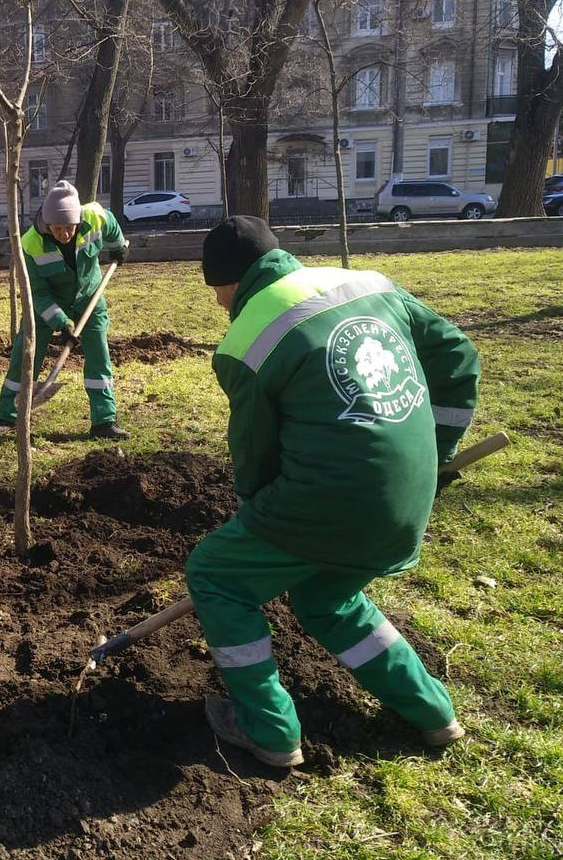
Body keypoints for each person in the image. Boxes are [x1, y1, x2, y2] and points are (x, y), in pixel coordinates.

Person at [186, 215, 480, 768]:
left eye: (218, 293)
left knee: (216, 574)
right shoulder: (369, 283)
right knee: (327, 598)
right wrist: (434, 454)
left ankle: (268, 732)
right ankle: (434, 712)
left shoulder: (244, 341)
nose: (221, 305)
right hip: (406, 499)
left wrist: (259, 524)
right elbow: (458, 356)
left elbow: (254, 457)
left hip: (328, 500)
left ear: (230, 280)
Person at [0, 180, 130, 440]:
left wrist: (119, 247)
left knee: (99, 356)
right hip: (47, 305)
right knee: (25, 354)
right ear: (47, 223)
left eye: (69, 228)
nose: (64, 234)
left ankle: (104, 421)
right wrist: (62, 324)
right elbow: (37, 293)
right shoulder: (30, 244)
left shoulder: (94, 217)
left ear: (78, 219)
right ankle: (6, 416)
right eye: (58, 228)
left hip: (89, 297)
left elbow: (112, 225)